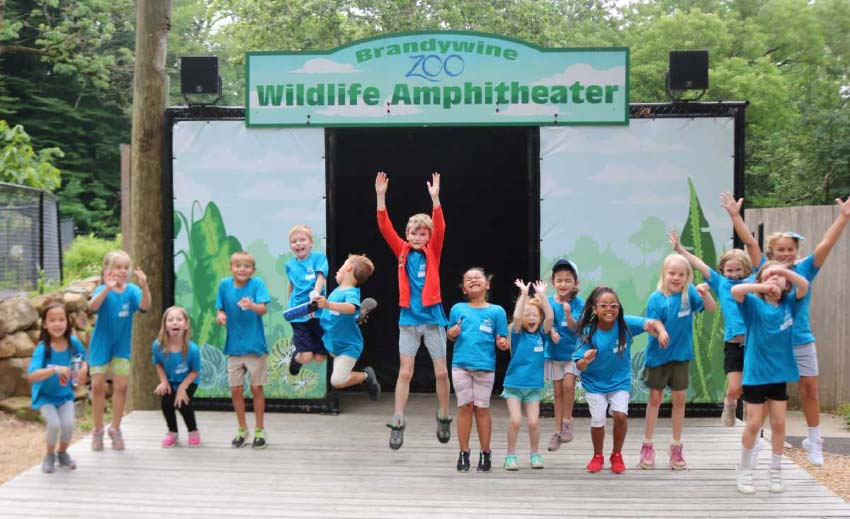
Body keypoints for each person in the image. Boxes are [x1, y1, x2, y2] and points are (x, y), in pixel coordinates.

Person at [733, 195, 850, 466]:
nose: (786, 254)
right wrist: (734, 216)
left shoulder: (804, 269)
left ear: (796, 251)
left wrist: (843, 218)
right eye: (781, 250)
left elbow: (826, 244)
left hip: (799, 339)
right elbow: (750, 242)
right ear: (772, 254)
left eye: (791, 249)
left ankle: (813, 438)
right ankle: (758, 440)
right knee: (765, 399)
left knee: (810, 389)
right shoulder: (765, 270)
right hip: (771, 346)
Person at [376, 170, 451, 450]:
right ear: (407, 235)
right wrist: (381, 196)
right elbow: (385, 228)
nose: (418, 236)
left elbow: (440, 228)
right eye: (413, 232)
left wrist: (436, 200)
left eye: (423, 233)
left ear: (428, 236)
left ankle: (443, 415)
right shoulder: (403, 251)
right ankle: (398, 421)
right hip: (408, 320)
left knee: (441, 374)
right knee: (404, 373)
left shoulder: (433, 250)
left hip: (433, 319)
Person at [671, 210, 757, 427]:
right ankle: (729, 402)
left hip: (756, 343)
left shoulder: (754, 281)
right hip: (734, 345)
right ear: (723, 270)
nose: (734, 274)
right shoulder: (721, 283)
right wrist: (680, 249)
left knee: (755, 386)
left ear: (746, 270)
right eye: (729, 270)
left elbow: (769, 267)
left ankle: (753, 418)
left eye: (738, 270)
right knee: (735, 387)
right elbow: (699, 264)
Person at [731, 262, 809, 494]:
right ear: (761, 281)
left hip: (779, 374)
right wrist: (762, 283)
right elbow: (736, 291)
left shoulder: (789, 304)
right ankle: (744, 469)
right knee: (754, 423)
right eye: (769, 276)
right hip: (756, 374)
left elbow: (803, 284)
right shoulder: (754, 304)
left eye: (780, 277)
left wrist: (781, 272)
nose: (775, 280)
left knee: (779, 423)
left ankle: (775, 470)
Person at [573, 286, 668, 474]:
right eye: (604, 305)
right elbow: (579, 365)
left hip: (619, 382)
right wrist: (586, 359)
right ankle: (597, 455)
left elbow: (652, 323)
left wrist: (660, 332)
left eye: (614, 305)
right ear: (594, 309)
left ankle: (617, 454)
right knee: (598, 420)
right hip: (595, 384)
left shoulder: (624, 324)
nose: (609, 309)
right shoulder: (587, 331)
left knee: (620, 415)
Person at [640, 253, 715, 470]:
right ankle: (647, 445)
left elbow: (710, 308)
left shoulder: (689, 294)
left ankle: (676, 446)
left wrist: (705, 294)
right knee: (655, 398)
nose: (676, 277)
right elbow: (652, 322)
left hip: (681, 357)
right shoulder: (656, 298)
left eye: (681, 274)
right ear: (664, 274)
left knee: (679, 400)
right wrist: (661, 331)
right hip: (658, 357)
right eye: (672, 273)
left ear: (687, 277)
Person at [446, 267, 508, 472]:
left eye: (477, 277)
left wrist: (502, 343)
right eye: (468, 279)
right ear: (463, 288)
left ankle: (485, 452)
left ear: (487, 284)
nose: (473, 280)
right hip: (460, 365)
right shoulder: (458, 309)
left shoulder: (497, 311)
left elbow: (503, 340)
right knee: (465, 407)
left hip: (485, 366)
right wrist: (452, 332)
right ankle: (463, 452)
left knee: (482, 408)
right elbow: (450, 334)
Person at [88, 250, 151, 451]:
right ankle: (98, 429)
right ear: (108, 269)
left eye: (126, 267)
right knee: (97, 385)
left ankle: (115, 428)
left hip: (121, 345)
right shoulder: (102, 289)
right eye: (118, 267)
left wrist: (145, 287)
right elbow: (91, 306)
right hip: (101, 344)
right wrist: (107, 289)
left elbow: (145, 307)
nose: (123, 271)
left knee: (121, 386)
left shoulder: (132, 290)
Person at [215, 251, 271, 449]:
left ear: (253, 270)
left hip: (255, 347)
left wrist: (252, 305)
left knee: (256, 388)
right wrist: (220, 316)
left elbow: (263, 309)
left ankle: (259, 430)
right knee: (236, 389)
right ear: (231, 268)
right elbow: (220, 308)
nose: (242, 269)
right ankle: (242, 429)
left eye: (247, 266)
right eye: (238, 266)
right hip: (234, 348)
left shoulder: (257, 285)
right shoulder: (224, 285)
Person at [27, 302, 88, 473]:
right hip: (45, 396)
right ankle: (49, 455)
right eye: (52, 320)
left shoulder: (73, 342)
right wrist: (54, 369)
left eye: (61, 319)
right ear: (45, 325)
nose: (57, 324)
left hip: (65, 395)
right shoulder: (42, 348)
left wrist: (83, 369)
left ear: (67, 322)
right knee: (54, 424)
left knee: (68, 425)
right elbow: (32, 375)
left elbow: (82, 359)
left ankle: (62, 453)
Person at [502, 279, 554, 471]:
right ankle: (510, 455)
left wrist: (541, 295)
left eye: (534, 315)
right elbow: (516, 317)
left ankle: (535, 453)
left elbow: (550, 316)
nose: (531, 317)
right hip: (514, 386)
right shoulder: (517, 334)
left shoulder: (542, 334)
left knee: (533, 422)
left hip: (534, 387)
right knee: (516, 420)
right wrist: (524, 294)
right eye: (527, 314)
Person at [315, 254, 382, 399]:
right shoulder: (336, 292)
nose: (337, 271)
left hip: (348, 347)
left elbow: (351, 307)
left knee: (337, 381)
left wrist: (327, 304)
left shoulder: (351, 292)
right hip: (332, 342)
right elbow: (330, 314)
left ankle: (365, 376)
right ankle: (356, 319)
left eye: (340, 267)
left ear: (349, 267)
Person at [544, 259, 583, 452]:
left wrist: (568, 314)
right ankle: (557, 432)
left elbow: (577, 327)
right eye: (559, 280)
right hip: (553, 353)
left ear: (575, 283)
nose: (563, 284)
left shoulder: (578, 303)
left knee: (569, 384)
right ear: (553, 282)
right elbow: (544, 323)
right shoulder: (549, 302)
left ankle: (567, 421)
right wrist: (551, 332)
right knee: (557, 392)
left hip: (573, 352)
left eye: (568, 280)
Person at [152, 306, 201, 448]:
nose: (174, 322)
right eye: (170, 320)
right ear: (165, 326)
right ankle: (172, 432)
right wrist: (163, 381)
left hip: (189, 380)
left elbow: (195, 371)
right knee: (167, 401)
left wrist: (182, 388)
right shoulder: (158, 346)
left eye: (179, 319)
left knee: (182, 402)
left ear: (185, 325)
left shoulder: (192, 349)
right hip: (170, 380)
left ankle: (193, 431)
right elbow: (158, 364)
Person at [284, 224, 329, 376]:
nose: (298, 244)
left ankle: (302, 353)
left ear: (311, 243)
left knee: (320, 357)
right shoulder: (289, 265)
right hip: (299, 315)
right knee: (307, 357)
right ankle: (296, 359)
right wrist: (290, 307)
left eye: (302, 240)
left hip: (317, 312)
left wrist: (315, 293)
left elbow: (320, 278)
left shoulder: (318, 258)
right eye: (294, 241)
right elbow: (291, 285)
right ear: (291, 246)